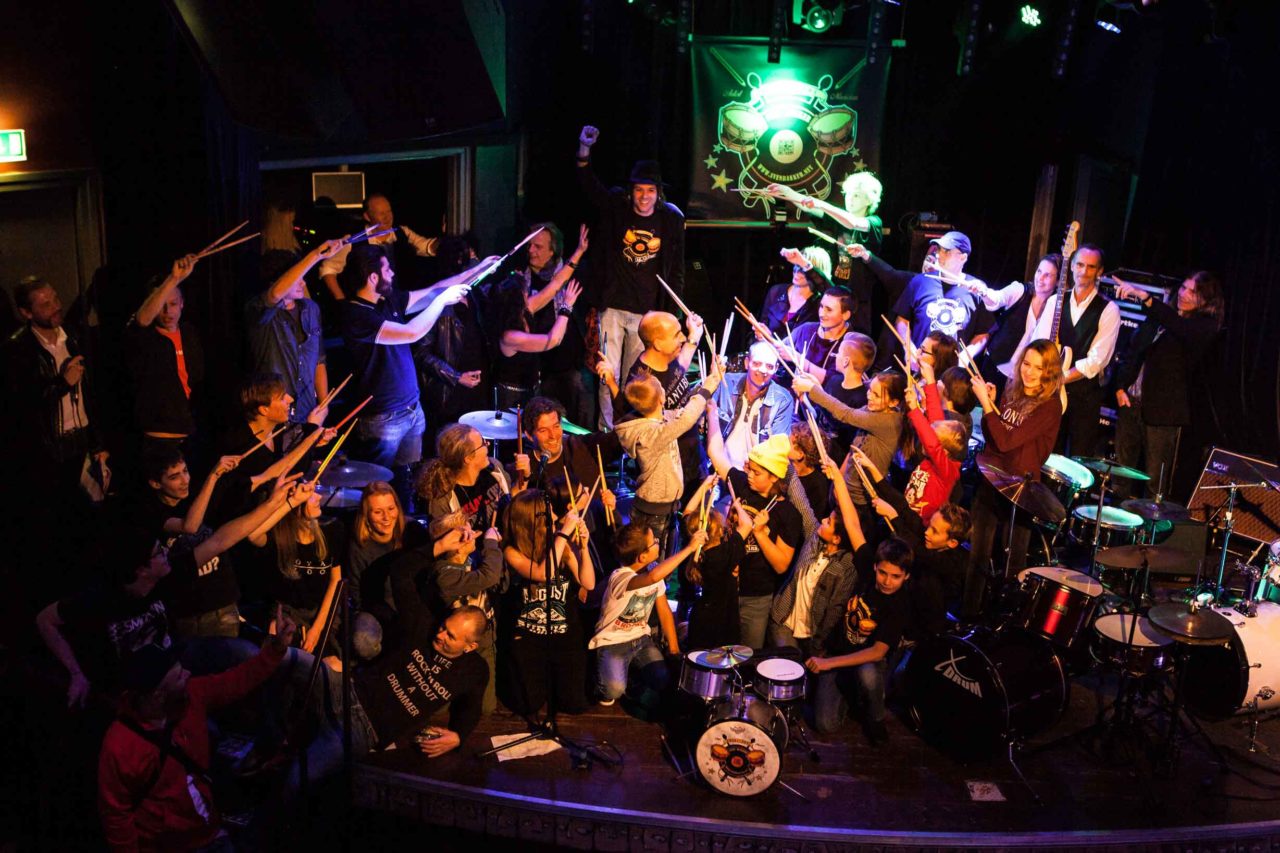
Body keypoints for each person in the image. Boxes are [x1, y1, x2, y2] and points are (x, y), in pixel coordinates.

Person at [36, 476, 305, 707]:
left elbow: (220, 540)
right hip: (138, 691)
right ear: (141, 570)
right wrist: (76, 673)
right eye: (157, 553)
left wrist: (275, 504)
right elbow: (45, 619)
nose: (165, 552)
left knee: (245, 653)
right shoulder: (102, 598)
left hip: (175, 660)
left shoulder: (164, 577)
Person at [97, 609, 298, 852]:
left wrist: (276, 648)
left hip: (209, 831)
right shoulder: (120, 745)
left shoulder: (191, 695)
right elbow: (117, 816)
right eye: (179, 675)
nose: (188, 674)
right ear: (158, 695)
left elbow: (236, 681)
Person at [333, 241, 479, 508]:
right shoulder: (356, 315)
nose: (392, 274)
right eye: (387, 269)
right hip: (382, 418)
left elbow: (434, 291)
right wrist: (442, 301)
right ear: (372, 277)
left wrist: (477, 270)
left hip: (411, 409)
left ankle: (406, 523)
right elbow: (412, 332)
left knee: (407, 482)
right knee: (377, 487)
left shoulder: (387, 300)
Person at [6, 275, 112, 594]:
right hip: (49, 452)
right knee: (58, 526)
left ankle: (99, 586)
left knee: (96, 516)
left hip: (82, 441)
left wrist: (100, 444)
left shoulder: (74, 337)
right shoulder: (18, 350)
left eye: (54, 298)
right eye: (45, 303)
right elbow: (20, 407)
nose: (55, 306)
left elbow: (94, 396)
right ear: (26, 312)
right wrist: (61, 384)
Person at [576, 125, 686, 428]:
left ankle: (630, 432)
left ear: (658, 193)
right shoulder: (617, 207)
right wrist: (584, 150)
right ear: (631, 191)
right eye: (639, 190)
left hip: (646, 315)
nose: (644, 196)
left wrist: (671, 315)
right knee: (606, 376)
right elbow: (589, 186)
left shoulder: (670, 218)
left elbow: (677, 270)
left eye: (650, 190)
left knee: (636, 380)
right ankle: (607, 433)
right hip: (612, 307)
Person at [965, 340, 1065, 617]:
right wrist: (992, 404)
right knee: (977, 556)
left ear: (1049, 372)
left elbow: (1007, 442)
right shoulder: (1012, 390)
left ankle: (1002, 619)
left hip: (1021, 491)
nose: (1029, 372)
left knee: (1012, 562)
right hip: (991, 477)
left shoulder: (1050, 406)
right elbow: (994, 438)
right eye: (1026, 364)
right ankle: (969, 617)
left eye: (1038, 368)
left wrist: (986, 405)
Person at [1111, 272, 1225, 498]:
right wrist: (1120, 386)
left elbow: (1180, 328)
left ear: (1207, 299)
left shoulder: (1203, 327)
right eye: (1183, 287)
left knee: (1155, 482)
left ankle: (1147, 522)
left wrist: (1146, 298)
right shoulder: (1160, 316)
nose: (1184, 294)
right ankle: (1112, 518)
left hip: (1163, 414)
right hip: (1130, 402)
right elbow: (1133, 350)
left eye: (1193, 291)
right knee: (1120, 475)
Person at [805, 537, 914, 746]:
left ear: (906, 576)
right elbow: (854, 528)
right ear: (875, 567)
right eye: (883, 573)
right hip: (840, 654)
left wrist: (827, 663)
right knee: (825, 725)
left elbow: (877, 652)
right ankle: (852, 696)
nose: (887, 581)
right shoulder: (867, 574)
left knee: (868, 674)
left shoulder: (900, 604)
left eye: (896, 576)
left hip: (868, 661)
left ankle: (876, 717)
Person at [499, 490, 595, 716]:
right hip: (529, 637)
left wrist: (583, 547)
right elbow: (544, 574)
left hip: (564, 635)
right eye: (549, 511)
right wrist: (563, 534)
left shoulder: (560, 544)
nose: (554, 515)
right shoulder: (512, 551)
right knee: (527, 705)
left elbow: (588, 583)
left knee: (575, 704)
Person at [705, 430, 803, 649]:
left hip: (755, 598)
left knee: (747, 655)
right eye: (750, 468)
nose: (749, 475)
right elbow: (716, 453)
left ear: (774, 477)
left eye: (757, 472)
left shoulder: (788, 514)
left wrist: (759, 533)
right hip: (724, 587)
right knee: (716, 651)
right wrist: (711, 414)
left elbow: (781, 565)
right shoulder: (743, 485)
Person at [590, 523, 704, 704]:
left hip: (641, 639)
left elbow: (664, 610)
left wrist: (674, 650)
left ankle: (630, 673)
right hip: (613, 643)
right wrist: (689, 548)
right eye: (654, 542)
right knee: (614, 690)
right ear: (642, 556)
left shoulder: (653, 568)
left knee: (661, 679)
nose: (658, 542)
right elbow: (653, 577)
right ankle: (600, 680)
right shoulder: (620, 577)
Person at [616, 360, 722, 550]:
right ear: (662, 398)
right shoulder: (652, 434)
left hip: (663, 509)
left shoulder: (654, 421)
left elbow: (682, 413)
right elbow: (686, 419)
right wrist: (709, 386)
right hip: (654, 513)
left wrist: (706, 383)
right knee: (654, 559)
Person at [1028, 245, 1120, 457]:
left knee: (1078, 459)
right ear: (1071, 266)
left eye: (1091, 267)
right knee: (1045, 455)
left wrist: (1059, 379)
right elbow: (1038, 344)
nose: (1083, 271)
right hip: (1050, 396)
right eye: (1079, 264)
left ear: (1099, 271)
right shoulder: (1055, 301)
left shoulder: (1109, 310)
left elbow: (1096, 361)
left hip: (1084, 399)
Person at [766, 172, 884, 333]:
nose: (850, 199)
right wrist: (788, 193)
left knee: (853, 340)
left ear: (869, 200)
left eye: (856, 195)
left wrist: (821, 204)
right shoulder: (837, 219)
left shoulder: (874, 223)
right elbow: (812, 207)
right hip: (833, 291)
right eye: (848, 194)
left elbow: (853, 223)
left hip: (857, 300)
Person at [245, 238, 343, 422]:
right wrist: (316, 254)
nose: (303, 283)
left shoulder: (310, 309)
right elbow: (275, 294)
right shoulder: (259, 311)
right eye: (298, 278)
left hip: (308, 411)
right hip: (275, 414)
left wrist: (323, 405)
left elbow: (319, 360)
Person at [769, 459, 860, 654]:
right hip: (784, 621)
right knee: (788, 667)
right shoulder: (814, 537)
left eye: (829, 522)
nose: (824, 520)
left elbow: (834, 611)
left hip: (814, 637)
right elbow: (800, 499)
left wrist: (820, 647)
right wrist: (786, 462)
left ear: (836, 539)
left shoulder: (845, 567)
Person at [793, 369, 906, 519]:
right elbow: (850, 438)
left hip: (861, 502)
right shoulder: (875, 410)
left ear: (894, 402)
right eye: (870, 390)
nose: (869, 396)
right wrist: (839, 480)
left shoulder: (888, 421)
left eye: (876, 395)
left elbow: (846, 414)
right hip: (846, 488)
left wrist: (814, 390)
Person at [127, 255, 205, 454]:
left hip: (189, 430)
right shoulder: (145, 336)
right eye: (162, 304)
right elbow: (142, 320)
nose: (167, 311)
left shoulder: (189, 333)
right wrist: (174, 278)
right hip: (159, 434)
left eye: (173, 303)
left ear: (182, 303)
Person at [523, 223, 595, 428]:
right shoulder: (521, 280)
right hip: (540, 368)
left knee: (577, 426)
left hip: (570, 366)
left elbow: (558, 282)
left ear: (552, 251)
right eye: (529, 245)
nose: (531, 251)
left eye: (538, 246)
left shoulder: (575, 276)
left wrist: (580, 251)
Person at [318, 192, 441, 300]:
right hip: (369, 310)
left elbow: (426, 246)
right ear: (367, 216)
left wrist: (446, 241)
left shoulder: (402, 233)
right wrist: (341, 301)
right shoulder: (355, 239)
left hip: (399, 304)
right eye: (381, 213)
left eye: (389, 211)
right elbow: (327, 269)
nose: (388, 217)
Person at [972, 254, 1062, 397]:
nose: (1040, 278)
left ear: (1058, 281)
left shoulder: (1056, 309)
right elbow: (997, 299)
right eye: (1039, 271)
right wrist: (983, 292)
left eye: (1048, 275)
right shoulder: (1020, 291)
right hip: (995, 368)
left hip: (1025, 379)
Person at [491, 272, 584, 409]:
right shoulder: (510, 336)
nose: (527, 293)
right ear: (519, 298)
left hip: (531, 390)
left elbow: (555, 285)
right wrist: (566, 306)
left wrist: (576, 258)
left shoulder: (525, 311)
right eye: (525, 291)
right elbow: (553, 340)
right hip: (511, 397)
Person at [891, 231, 993, 354]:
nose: (939, 255)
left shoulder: (976, 289)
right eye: (939, 249)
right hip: (920, 361)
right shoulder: (920, 282)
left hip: (953, 365)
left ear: (963, 258)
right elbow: (902, 320)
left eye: (947, 251)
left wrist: (964, 358)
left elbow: (983, 333)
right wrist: (909, 350)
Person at [681, 477, 748, 650]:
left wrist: (704, 486)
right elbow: (747, 524)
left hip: (701, 617)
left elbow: (688, 511)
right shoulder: (724, 553)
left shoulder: (694, 545)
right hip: (723, 621)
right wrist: (738, 506)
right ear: (718, 530)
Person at [710, 340, 794, 471]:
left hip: (755, 473)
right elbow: (700, 407)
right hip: (719, 466)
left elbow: (777, 451)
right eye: (757, 363)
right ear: (746, 362)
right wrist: (712, 380)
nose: (763, 370)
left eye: (769, 366)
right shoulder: (727, 383)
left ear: (776, 368)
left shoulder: (783, 400)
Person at [417, 422, 514, 532]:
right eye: (483, 444)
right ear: (468, 458)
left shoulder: (495, 468)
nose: (488, 444)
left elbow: (512, 500)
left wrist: (525, 477)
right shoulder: (442, 499)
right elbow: (443, 538)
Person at [776, 286, 857, 386]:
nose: (821, 314)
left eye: (829, 310)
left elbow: (835, 382)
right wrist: (766, 337)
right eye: (821, 306)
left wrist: (798, 358)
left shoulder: (852, 345)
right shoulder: (806, 329)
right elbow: (780, 349)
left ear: (846, 315)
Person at [759, 247, 832, 336]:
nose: (797, 271)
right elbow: (763, 324)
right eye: (796, 265)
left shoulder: (821, 303)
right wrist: (761, 334)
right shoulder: (776, 291)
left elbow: (834, 293)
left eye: (802, 268)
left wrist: (805, 264)